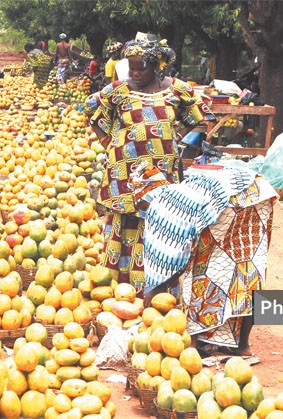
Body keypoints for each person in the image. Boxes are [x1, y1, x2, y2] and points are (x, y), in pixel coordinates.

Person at [85, 39, 214, 291]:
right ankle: (122, 284)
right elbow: (92, 111)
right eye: (131, 68)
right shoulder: (118, 90)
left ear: (156, 67)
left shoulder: (176, 90)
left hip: (162, 172)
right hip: (125, 171)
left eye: (140, 69)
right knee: (127, 221)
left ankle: (158, 285)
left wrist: (177, 135)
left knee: (161, 222)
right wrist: (107, 141)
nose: (134, 73)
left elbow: (198, 113)